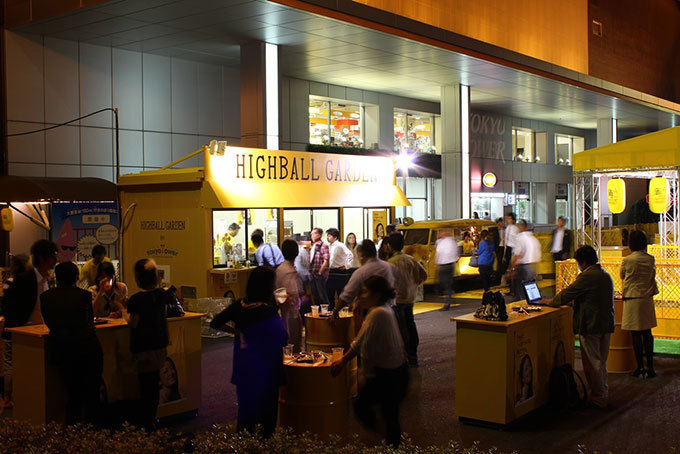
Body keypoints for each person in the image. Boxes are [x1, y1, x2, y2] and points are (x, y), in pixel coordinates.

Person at [331, 276, 408, 448]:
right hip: (395, 372)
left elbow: (359, 342)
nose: (362, 296)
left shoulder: (379, 313)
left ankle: (388, 441)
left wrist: (342, 361)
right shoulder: (383, 309)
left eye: (365, 292)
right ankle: (390, 442)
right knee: (389, 415)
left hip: (388, 375)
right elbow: (363, 337)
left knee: (364, 407)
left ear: (377, 294)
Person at [210, 267, 287, 438]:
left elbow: (214, 323)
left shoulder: (239, 305)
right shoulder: (267, 311)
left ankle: (244, 444)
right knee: (267, 416)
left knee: (245, 412)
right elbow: (283, 338)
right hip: (267, 370)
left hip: (244, 367)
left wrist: (237, 332)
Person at [544, 245, 614, 409]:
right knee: (601, 362)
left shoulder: (588, 276)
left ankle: (598, 398)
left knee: (592, 363)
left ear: (583, 261)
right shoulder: (604, 274)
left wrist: (549, 302)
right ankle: (602, 394)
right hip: (605, 323)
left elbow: (567, 294)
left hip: (591, 325)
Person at [40, 262, 103, 424]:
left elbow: (48, 321)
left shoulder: (45, 297)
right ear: (76, 277)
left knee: (71, 392)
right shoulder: (84, 295)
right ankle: (92, 429)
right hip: (87, 348)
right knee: (91, 392)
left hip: (60, 349)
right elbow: (89, 322)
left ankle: (71, 430)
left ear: (57, 278)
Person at [1, 240, 58, 410]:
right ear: (42, 258)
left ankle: (27, 399)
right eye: (53, 256)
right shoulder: (24, 279)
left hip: (38, 333)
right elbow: (9, 305)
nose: (55, 260)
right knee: (12, 366)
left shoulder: (46, 280)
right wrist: (19, 327)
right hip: (20, 332)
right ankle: (8, 399)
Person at [126, 258, 170, 430]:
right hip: (159, 345)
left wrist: (122, 312)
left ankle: (145, 421)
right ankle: (152, 417)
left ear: (138, 277)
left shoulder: (136, 299)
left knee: (145, 385)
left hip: (143, 347)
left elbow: (134, 323)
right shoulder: (161, 294)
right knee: (153, 384)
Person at [384, 232, 427, 367]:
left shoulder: (390, 263)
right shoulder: (410, 259)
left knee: (401, 329)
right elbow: (423, 275)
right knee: (410, 326)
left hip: (397, 301)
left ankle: (403, 358)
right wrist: (414, 284)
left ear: (390, 246)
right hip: (410, 298)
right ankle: (413, 355)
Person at [620, 230, 658, 378]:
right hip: (647, 298)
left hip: (632, 298)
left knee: (635, 334)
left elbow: (622, 275)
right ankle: (651, 367)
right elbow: (652, 275)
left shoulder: (627, 260)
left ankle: (639, 367)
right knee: (647, 333)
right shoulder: (650, 259)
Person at [332, 239, 395, 328]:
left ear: (361, 254)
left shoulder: (362, 272)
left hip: (370, 313)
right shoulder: (388, 267)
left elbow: (346, 296)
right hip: (390, 310)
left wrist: (335, 312)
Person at [276, 239, 304, 353]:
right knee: (293, 344)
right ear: (297, 253)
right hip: (290, 314)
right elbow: (287, 295)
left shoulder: (281, 269)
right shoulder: (288, 271)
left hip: (285, 313)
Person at [508, 220, 541, 300]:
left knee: (521, 289)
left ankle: (522, 304)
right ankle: (533, 302)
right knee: (531, 287)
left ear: (522, 227)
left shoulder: (520, 237)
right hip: (534, 265)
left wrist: (511, 268)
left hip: (524, 266)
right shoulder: (533, 238)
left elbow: (518, 254)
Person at [326, 228, 353, 310]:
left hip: (340, 272)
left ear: (335, 237)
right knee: (329, 293)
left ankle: (342, 313)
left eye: (329, 236)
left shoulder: (340, 245)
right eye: (327, 235)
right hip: (331, 272)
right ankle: (331, 311)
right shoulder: (329, 246)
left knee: (340, 294)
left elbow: (350, 255)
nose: (327, 237)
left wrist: (347, 266)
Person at [435, 229, 458, 311]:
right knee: (448, 283)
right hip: (451, 264)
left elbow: (438, 253)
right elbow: (456, 252)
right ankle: (450, 297)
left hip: (444, 265)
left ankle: (447, 302)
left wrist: (437, 263)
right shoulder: (452, 241)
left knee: (444, 283)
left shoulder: (442, 242)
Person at [308, 227, 331, 307]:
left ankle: (325, 314)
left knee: (322, 297)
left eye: (313, 234)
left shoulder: (323, 245)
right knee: (315, 296)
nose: (312, 236)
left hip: (319, 275)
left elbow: (326, 261)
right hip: (313, 274)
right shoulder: (313, 246)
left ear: (319, 235)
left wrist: (320, 273)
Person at [503, 213, 519, 291]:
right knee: (508, 268)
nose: (507, 220)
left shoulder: (515, 229)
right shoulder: (507, 228)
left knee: (512, 268)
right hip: (508, 249)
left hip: (513, 249)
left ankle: (513, 288)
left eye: (509, 218)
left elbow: (516, 241)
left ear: (513, 220)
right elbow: (506, 240)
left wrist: (515, 252)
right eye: (507, 218)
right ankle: (510, 287)